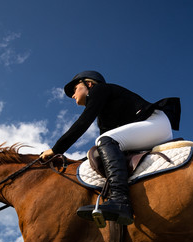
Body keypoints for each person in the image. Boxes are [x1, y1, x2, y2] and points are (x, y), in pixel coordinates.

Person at [41, 71, 180, 225]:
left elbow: (83, 123)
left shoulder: (100, 90)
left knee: (103, 140)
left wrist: (56, 149)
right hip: (151, 131)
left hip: (155, 124)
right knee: (102, 145)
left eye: (75, 89)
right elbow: (103, 151)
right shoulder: (104, 116)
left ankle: (120, 199)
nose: (73, 95)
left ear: (89, 84)